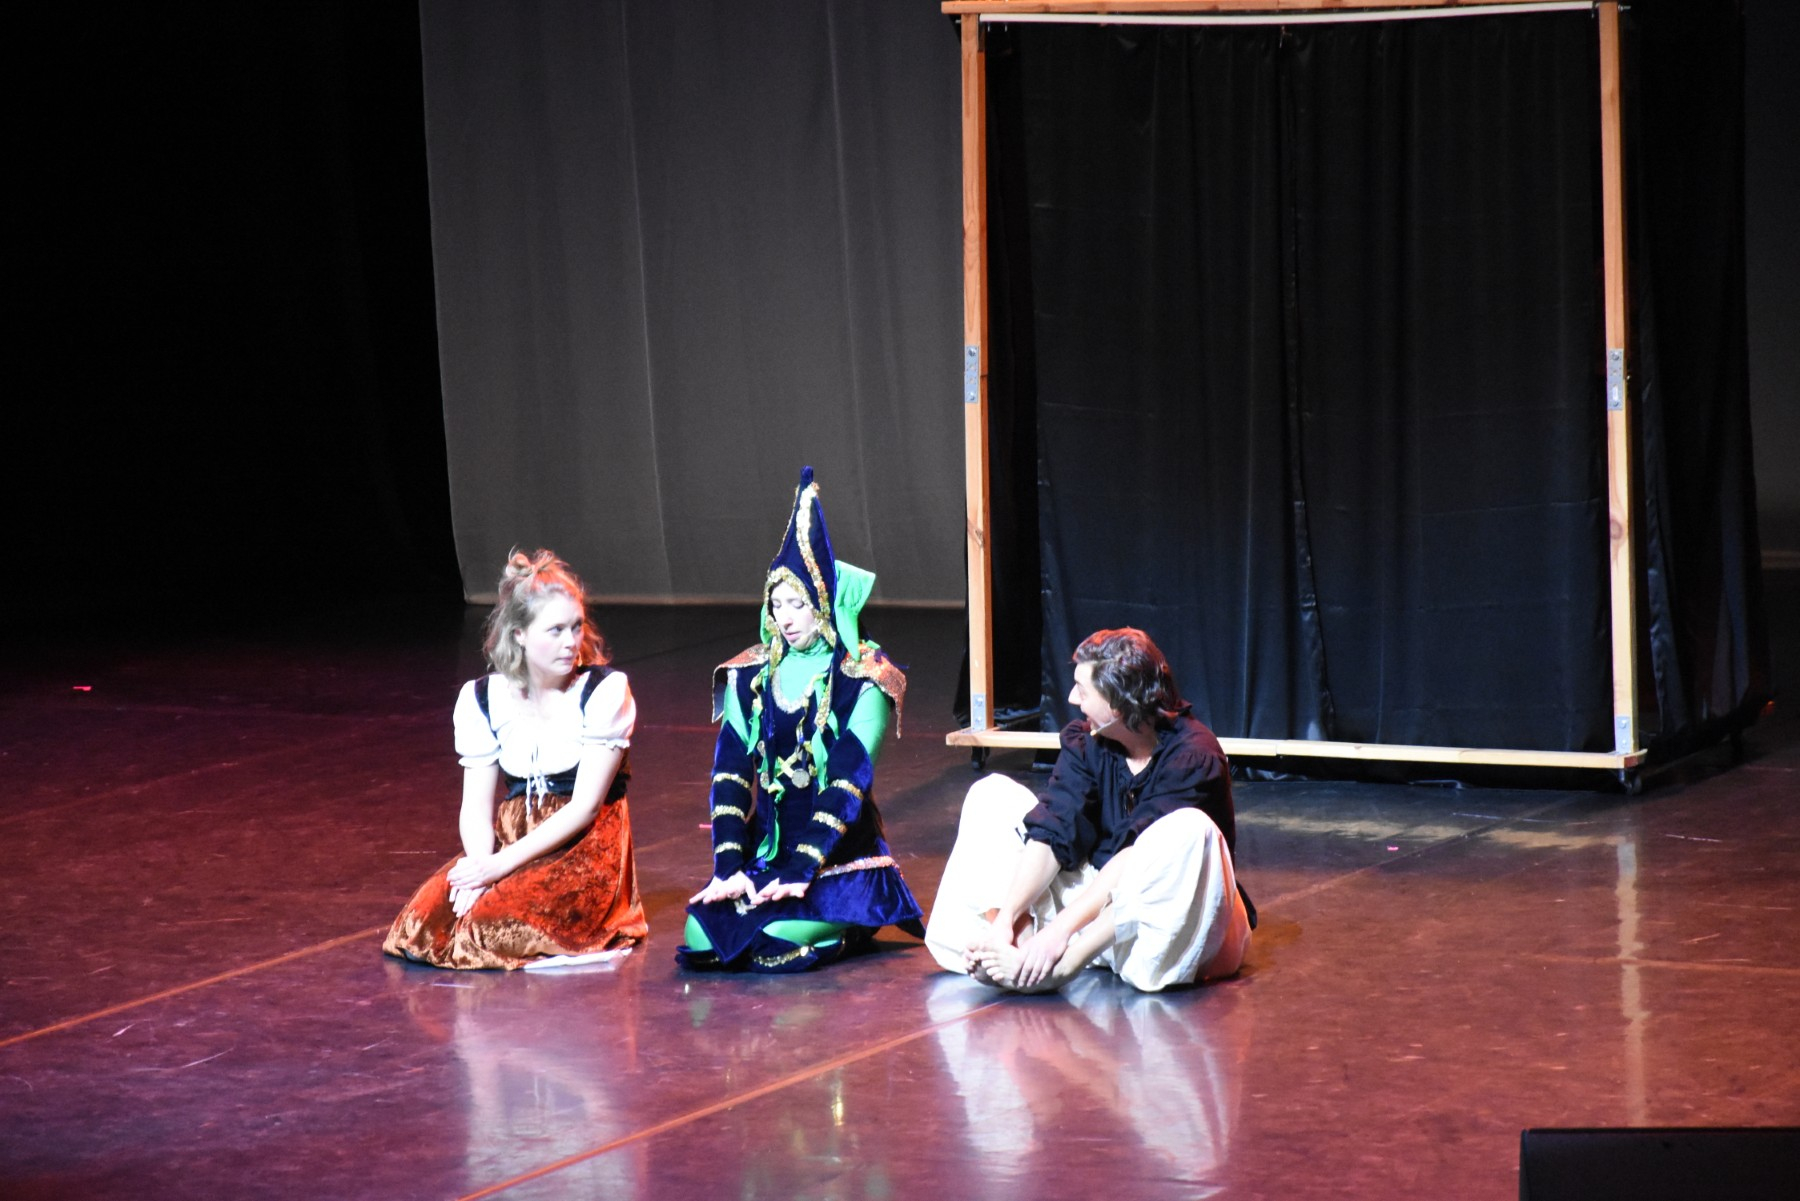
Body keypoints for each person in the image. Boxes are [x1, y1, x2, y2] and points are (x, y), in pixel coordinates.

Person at [678, 466, 924, 972]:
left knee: (774, 944)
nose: (785, 618)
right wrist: (728, 867)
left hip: (837, 858)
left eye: (798, 603)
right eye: (777, 604)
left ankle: (851, 926)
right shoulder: (750, 675)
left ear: (823, 605)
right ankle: (786, 907)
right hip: (768, 855)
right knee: (701, 938)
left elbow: (845, 784)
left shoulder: (862, 678)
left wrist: (803, 867)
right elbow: (729, 777)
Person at [925, 628, 1254, 993]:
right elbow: (1055, 827)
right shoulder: (1088, 742)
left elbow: (1135, 858)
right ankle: (1018, 947)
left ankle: (1063, 966)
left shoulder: (1193, 756)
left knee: (1189, 829)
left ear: (1118, 704)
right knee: (992, 794)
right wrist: (1007, 917)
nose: (1071, 698)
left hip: (1152, 918)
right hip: (1092, 904)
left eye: (1082, 691)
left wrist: (1060, 933)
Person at [384, 550, 646, 969]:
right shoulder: (483, 698)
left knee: (490, 929)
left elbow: (585, 807)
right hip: (513, 840)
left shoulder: (603, 692)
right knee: (422, 925)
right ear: (520, 634)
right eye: (555, 630)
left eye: (576, 627)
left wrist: (497, 868)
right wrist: (479, 866)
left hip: (582, 848)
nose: (570, 641)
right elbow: (475, 806)